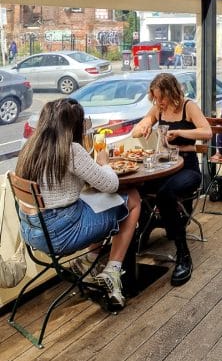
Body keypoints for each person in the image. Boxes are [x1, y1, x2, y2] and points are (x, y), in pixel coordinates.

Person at [15, 98, 140, 309]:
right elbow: (110, 184)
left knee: (95, 202)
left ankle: (88, 260)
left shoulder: (30, 147)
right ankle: (113, 270)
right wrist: (103, 163)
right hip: (60, 234)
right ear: (73, 125)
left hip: (31, 231)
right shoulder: (71, 150)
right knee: (134, 199)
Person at [132, 72, 211, 287]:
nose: (158, 102)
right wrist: (144, 127)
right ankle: (146, 225)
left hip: (188, 167)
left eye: (161, 97)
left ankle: (183, 254)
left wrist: (179, 133)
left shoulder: (188, 107)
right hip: (165, 166)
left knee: (166, 194)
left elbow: (207, 132)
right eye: (155, 98)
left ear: (171, 92)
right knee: (136, 186)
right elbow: (135, 130)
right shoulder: (159, 109)